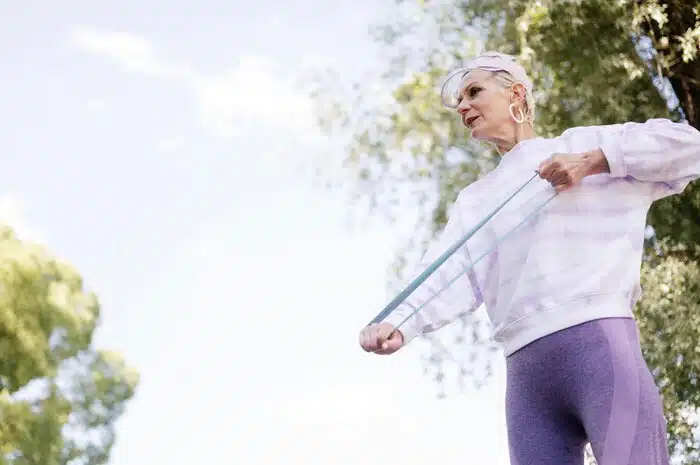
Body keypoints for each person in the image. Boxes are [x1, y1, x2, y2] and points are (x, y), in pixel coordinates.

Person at [358, 51, 700, 465]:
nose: (463, 106)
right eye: (460, 101)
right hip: (526, 381)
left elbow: (690, 146)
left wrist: (594, 161)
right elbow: (449, 272)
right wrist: (399, 322)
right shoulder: (476, 200)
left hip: (601, 353)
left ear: (516, 93)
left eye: (474, 91)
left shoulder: (579, 146)